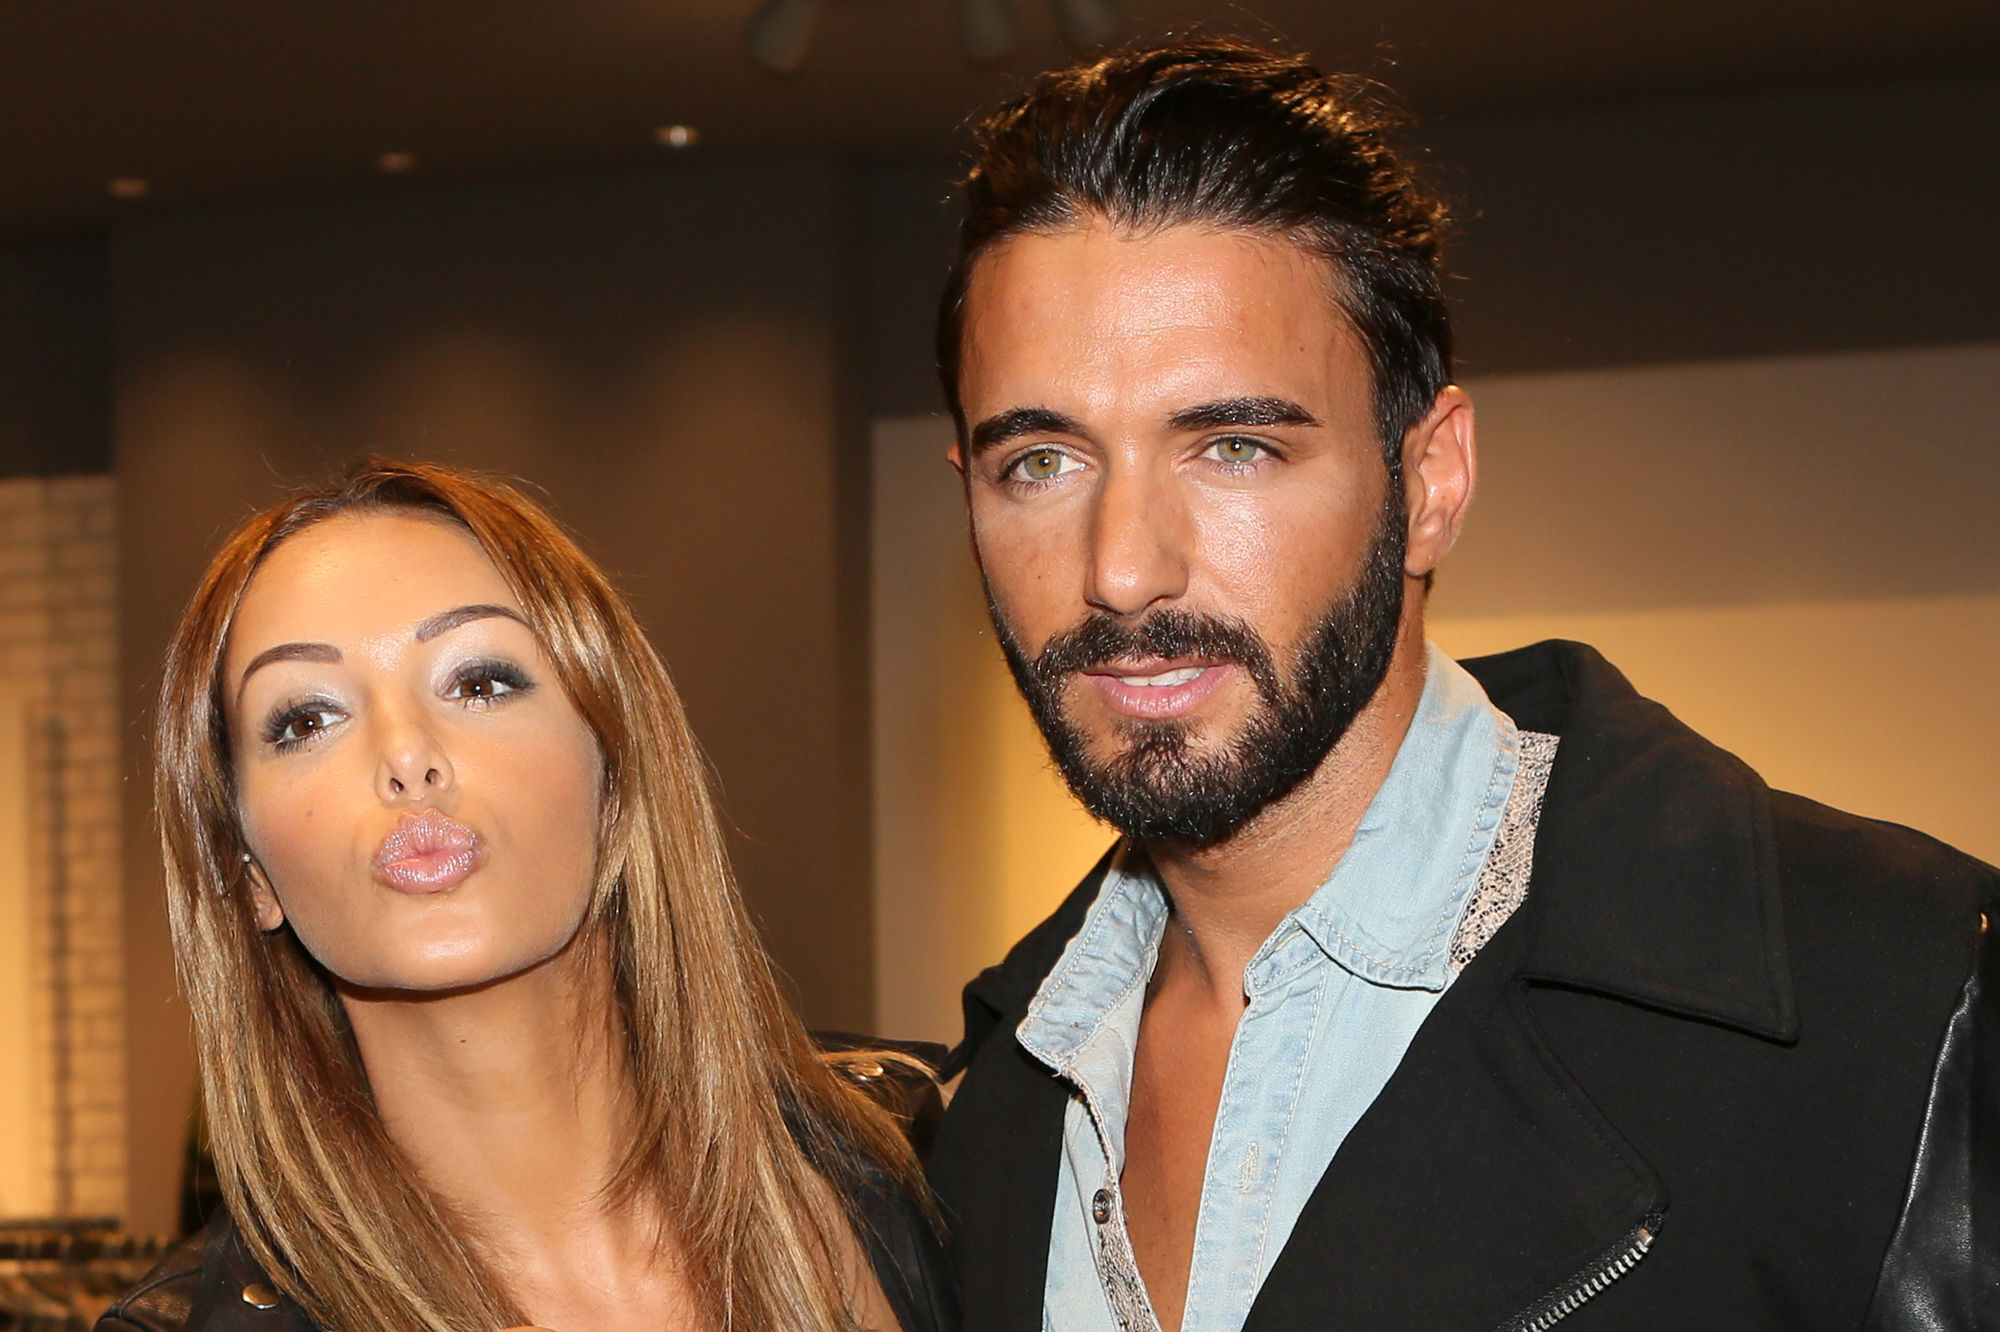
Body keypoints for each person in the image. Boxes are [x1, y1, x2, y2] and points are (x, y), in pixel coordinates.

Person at [925, 37, 1998, 1332]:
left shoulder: (1905, 1003)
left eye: (1234, 446)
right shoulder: (977, 1111)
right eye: (1040, 463)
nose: (1122, 570)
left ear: (1429, 480)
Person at [101, 461, 954, 1332]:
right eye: (307, 719)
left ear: (614, 773)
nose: (405, 754)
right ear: (245, 871)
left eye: (478, 683)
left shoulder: (932, 1149)